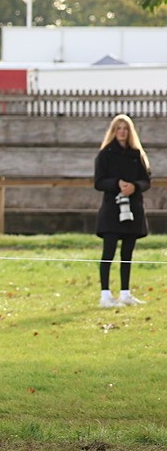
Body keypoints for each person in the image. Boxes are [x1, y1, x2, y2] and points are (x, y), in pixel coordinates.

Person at [94, 114, 151, 307]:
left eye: (125, 129)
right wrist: (116, 184)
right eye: (118, 128)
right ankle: (105, 295)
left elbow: (146, 181)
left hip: (132, 209)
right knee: (108, 252)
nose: (122, 132)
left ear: (129, 132)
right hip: (112, 210)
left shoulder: (137, 155)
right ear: (113, 131)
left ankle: (125, 293)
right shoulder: (105, 154)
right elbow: (99, 182)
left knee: (127, 253)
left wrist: (134, 186)